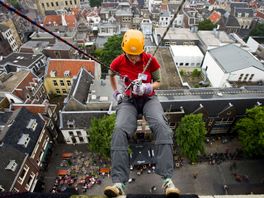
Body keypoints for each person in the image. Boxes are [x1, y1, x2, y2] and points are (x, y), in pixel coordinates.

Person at [104, 29, 180, 197]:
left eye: (137, 55)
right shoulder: (118, 62)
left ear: (143, 50)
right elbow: (110, 75)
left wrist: (147, 87)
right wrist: (116, 92)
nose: (133, 58)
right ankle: (119, 183)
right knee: (119, 131)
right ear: (124, 50)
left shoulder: (150, 60)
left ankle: (167, 180)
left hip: (148, 99)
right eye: (130, 55)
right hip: (129, 100)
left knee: (162, 126)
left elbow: (158, 82)